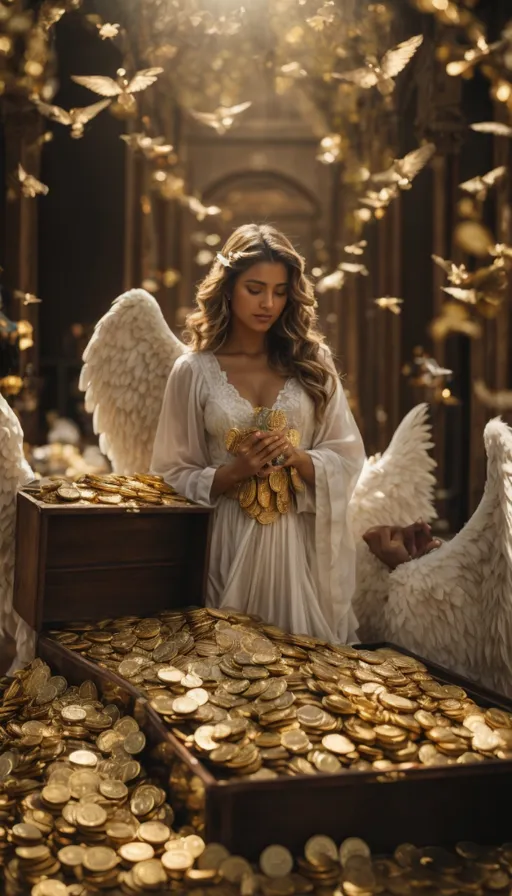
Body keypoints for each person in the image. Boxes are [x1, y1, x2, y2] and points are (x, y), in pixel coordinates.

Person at [151, 224, 365, 642]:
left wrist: (299, 458)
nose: (269, 303)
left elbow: (347, 455)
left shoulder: (313, 361)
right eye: (255, 288)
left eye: (280, 291)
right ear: (227, 288)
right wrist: (234, 472)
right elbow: (168, 474)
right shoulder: (193, 371)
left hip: (296, 546)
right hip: (225, 540)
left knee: (303, 675)